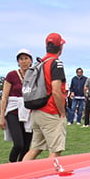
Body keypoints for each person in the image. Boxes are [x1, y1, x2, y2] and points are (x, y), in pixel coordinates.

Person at [23, 33, 68, 161]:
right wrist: (62, 113)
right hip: (50, 111)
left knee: (35, 148)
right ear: (60, 47)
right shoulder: (56, 63)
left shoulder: (40, 63)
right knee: (55, 151)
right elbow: (56, 90)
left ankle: (21, 174)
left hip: (36, 111)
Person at [0, 48, 34, 162]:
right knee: (18, 144)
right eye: (21, 59)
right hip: (13, 111)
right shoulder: (12, 75)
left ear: (31, 61)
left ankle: (21, 167)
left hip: (28, 111)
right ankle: (11, 165)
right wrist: (1, 116)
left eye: (26, 58)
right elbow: (4, 97)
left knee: (26, 145)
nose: (24, 61)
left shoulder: (34, 75)